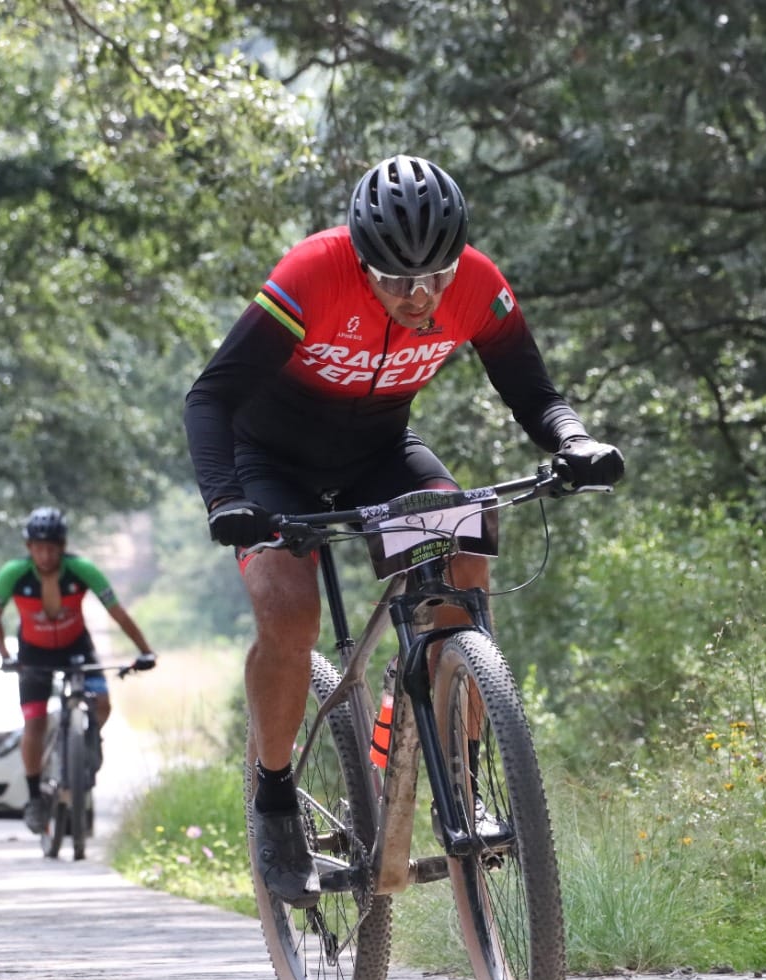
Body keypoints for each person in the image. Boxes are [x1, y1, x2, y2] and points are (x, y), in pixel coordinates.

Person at [182, 154, 624, 906]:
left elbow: (533, 391)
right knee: (290, 611)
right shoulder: (312, 274)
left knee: (466, 550)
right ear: (360, 258)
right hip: (271, 463)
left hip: (380, 453)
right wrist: (226, 499)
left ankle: (453, 738)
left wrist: (574, 441)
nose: (420, 297)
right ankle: (276, 794)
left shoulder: (477, 284)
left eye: (435, 277)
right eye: (395, 280)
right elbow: (211, 397)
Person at [0, 506, 157, 834]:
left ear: (62, 548)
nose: (45, 554)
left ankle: (87, 740)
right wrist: (5, 654)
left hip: (77, 648)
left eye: (52, 547)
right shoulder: (13, 573)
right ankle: (35, 798)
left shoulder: (82, 570)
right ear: (28, 548)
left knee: (103, 704)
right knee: (33, 724)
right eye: (38, 547)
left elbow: (117, 612)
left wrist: (144, 650)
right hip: (33, 654)